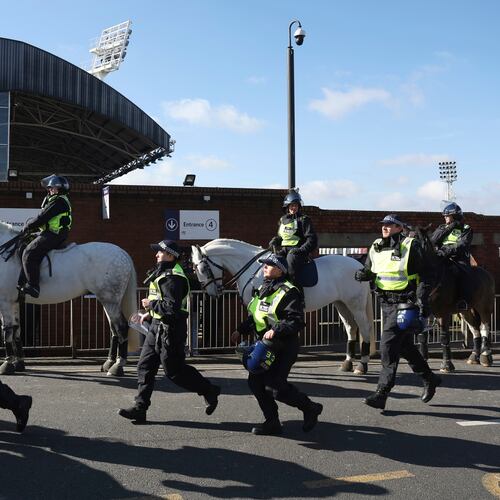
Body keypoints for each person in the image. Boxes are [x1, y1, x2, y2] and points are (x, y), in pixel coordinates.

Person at [119, 240, 220, 423]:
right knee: (145, 367)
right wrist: (149, 314)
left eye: (160, 252)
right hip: (157, 327)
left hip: (171, 330)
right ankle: (140, 409)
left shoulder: (173, 277)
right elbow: (162, 304)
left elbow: (171, 307)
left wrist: (151, 305)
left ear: (171, 256)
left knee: (174, 372)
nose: (156, 255)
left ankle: (208, 389)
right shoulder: (163, 273)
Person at [355, 214, 441, 410]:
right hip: (386, 303)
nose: (385, 228)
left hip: (406, 303)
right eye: (383, 225)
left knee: (387, 345)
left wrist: (421, 296)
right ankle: (430, 378)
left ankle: (382, 393)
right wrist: (363, 274)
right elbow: (371, 269)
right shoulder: (376, 245)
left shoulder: (411, 246)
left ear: (400, 228)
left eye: (390, 225)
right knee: (404, 347)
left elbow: (428, 273)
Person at [231, 253, 323, 435]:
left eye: (269, 264)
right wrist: (241, 330)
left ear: (280, 270)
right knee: (255, 383)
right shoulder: (263, 288)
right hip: (264, 345)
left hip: (284, 346)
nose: (264, 267)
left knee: (275, 387)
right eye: (264, 264)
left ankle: (310, 407)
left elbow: (296, 320)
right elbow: (256, 316)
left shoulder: (289, 291)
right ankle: (272, 422)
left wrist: (277, 329)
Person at [18, 174, 72, 298]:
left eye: (51, 188)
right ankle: (23, 280)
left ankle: (33, 286)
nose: (49, 190)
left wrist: (28, 227)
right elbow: (47, 220)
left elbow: (43, 217)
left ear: (58, 189)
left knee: (29, 253)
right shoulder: (60, 200)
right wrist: (33, 229)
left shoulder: (59, 201)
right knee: (26, 244)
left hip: (54, 235)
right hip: (52, 233)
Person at [269, 190, 318, 283]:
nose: (293, 207)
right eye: (291, 205)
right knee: (271, 263)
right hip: (284, 250)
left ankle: (296, 292)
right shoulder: (283, 220)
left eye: (296, 205)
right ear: (287, 207)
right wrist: (275, 240)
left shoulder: (304, 219)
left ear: (299, 207)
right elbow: (282, 237)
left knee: (290, 267)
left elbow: (312, 239)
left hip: (297, 252)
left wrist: (300, 250)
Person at [430, 202, 473, 309]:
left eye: (447, 216)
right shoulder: (442, 227)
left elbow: (462, 244)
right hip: (441, 257)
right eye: (444, 216)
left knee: (462, 274)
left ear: (455, 216)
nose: (445, 218)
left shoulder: (466, 228)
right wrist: (448, 228)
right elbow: (433, 241)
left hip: (458, 259)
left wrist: (446, 250)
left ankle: (463, 300)